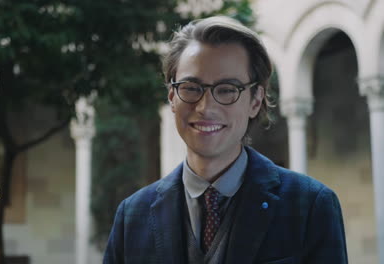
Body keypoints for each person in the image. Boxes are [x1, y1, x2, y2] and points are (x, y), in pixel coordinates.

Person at [103, 16, 347, 264]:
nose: (205, 107)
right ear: (172, 97)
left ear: (255, 100)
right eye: (190, 87)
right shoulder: (132, 216)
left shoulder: (310, 207)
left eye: (227, 89)